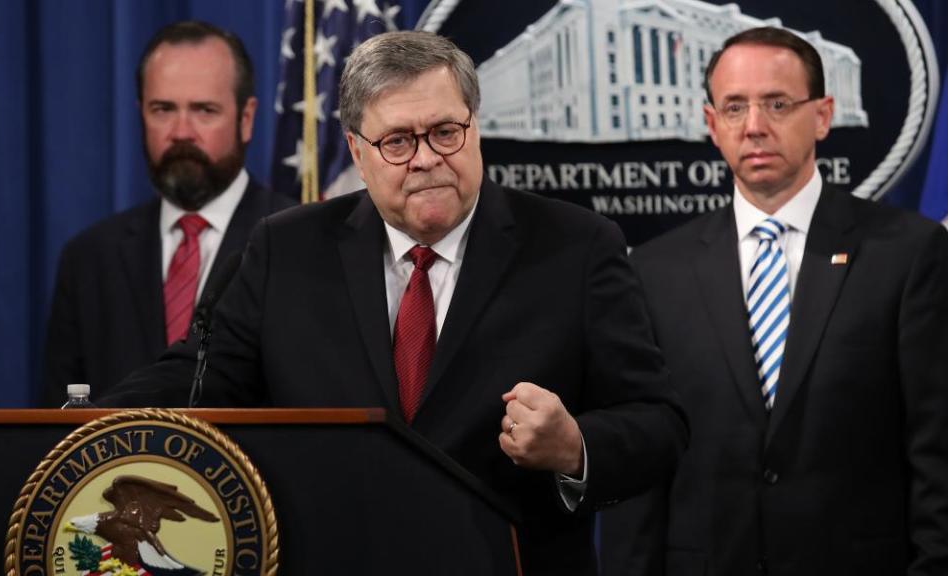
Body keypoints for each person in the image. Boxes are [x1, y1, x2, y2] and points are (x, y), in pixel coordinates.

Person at [101, 30, 688, 574]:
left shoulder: (576, 246)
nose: (427, 158)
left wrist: (574, 447)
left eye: (444, 132)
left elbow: (658, 423)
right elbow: (198, 378)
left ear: (474, 127)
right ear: (357, 153)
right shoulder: (288, 248)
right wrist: (80, 430)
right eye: (398, 141)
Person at [599, 27, 948, 575]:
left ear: (823, 114)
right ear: (712, 124)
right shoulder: (654, 271)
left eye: (778, 104)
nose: (755, 127)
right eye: (735, 107)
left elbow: (937, 449)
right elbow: (644, 465)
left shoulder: (907, 254)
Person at [43, 21, 296, 406]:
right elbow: (56, 431)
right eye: (163, 109)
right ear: (141, 114)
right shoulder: (89, 258)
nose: (181, 131)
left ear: (246, 119)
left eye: (204, 110)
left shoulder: (298, 243)